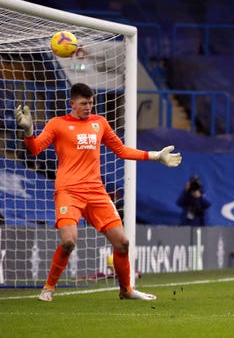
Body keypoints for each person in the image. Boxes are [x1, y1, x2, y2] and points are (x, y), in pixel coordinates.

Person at [14, 83, 182, 302]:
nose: (88, 107)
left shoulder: (99, 123)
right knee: (69, 241)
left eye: (91, 103)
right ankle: (48, 288)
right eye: (84, 103)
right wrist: (28, 131)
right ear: (71, 104)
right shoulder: (57, 124)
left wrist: (155, 155)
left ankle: (126, 290)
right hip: (68, 192)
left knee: (122, 242)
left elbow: (121, 150)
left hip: (96, 192)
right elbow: (35, 149)